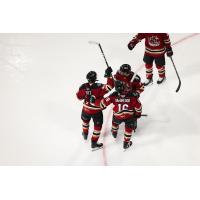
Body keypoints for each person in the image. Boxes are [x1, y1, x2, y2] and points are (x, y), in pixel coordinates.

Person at [76, 69, 113, 150]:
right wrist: (109, 75)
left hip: (85, 110)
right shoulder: (99, 86)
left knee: (85, 122)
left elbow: (78, 97)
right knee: (97, 127)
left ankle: (85, 134)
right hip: (96, 112)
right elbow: (110, 86)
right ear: (96, 78)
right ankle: (94, 143)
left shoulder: (83, 86)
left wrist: (85, 92)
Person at [100, 80, 142, 150]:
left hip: (117, 116)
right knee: (128, 129)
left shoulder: (113, 95)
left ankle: (114, 132)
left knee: (115, 122)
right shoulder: (132, 95)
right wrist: (138, 114)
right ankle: (126, 143)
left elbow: (102, 104)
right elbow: (139, 107)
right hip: (129, 117)